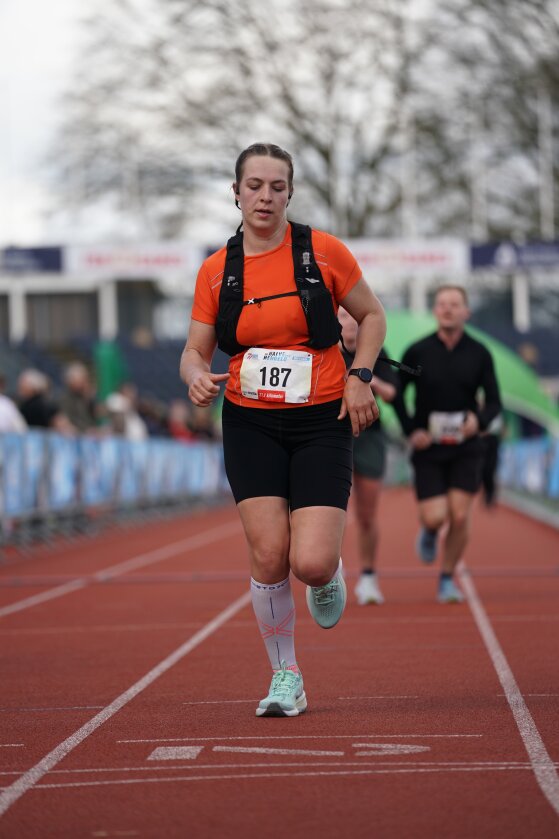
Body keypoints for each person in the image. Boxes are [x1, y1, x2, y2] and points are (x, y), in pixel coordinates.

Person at [180, 143, 386, 717]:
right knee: (269, 553)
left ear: (290, 192)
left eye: (277, 186)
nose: (265, 197)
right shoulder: (217, 271)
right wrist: (195, 376)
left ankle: (328, 572)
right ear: (236, 193)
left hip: (321, 417)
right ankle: (285, 675)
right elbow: (194, 351)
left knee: (310, 562)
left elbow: (372, 316)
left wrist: (360, 377)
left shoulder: (323, 252)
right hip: (249, 420)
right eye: (254, 186)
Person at [393, 285, 502, 603]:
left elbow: (494, 402)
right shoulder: (417, 352)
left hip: (466, 446)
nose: (448, 309)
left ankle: (446, 579)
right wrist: (411, 430)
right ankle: (428, 531)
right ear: (435, 311)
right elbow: (397, 393)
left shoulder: (480, 353)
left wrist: (478, 422)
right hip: (429, 447)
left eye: (455, 304)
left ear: (466, 311)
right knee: (435, 517)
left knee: (460, 515)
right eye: (442, 304)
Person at [338, 308, 397, 605]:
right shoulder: (326, 350)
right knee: (329, 512)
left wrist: (364, 378)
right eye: (342, 317)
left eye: (354, 317)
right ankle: (329, 575)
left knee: (366, 514)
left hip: (369, 436)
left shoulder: (376, 352)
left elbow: (391, 393)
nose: (349, 323)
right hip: (334, 434)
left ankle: (369, 577)